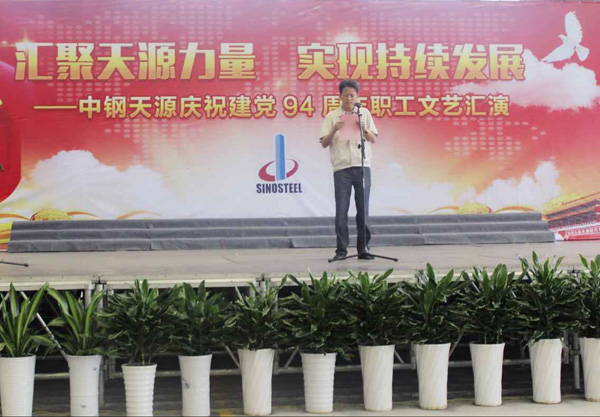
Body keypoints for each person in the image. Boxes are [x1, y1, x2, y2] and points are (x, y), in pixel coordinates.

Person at [320, 79, 378, 261]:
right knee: (341, 210)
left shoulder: (364, 113)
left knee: (363, 210)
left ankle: (363, 249)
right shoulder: (332, 116)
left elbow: (373, 138)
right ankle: (341, 251)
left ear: (357, 96)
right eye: (346, 95)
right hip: (342, 168)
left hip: (362, 166)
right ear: (340, 96)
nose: (349, 98)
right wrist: (334, 130)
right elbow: (323, 143)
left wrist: (364, 129)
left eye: (352, 95)